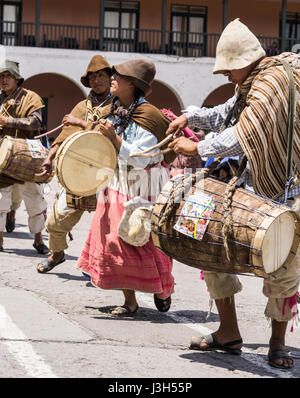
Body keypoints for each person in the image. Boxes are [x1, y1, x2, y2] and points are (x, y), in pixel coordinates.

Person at [166, 19, 300, 370]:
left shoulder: (273, 82)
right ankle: (228, 331)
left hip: (286, 188)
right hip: (247, 183)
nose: (224, 74)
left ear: (243, 61)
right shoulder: (251, 85)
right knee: (208, 247)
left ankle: (277, 342)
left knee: (284, 267)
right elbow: (226, 114)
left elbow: (244, 134)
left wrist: (197, 149)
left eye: (228, 68)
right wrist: (189, 116)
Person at [76, 59, 175, 316]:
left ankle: (162, 288)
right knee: (114, 241)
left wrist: (114, 138)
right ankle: (130, 301)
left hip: (145, 186)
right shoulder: (114, 109)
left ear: (132, 83)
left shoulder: (149, 115)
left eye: (117, 76)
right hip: (116, 183)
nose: (111, 79)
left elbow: (145, 157)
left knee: (146, 241)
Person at [36, 55, 113, 273]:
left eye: (101, 75)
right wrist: (49, 159)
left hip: (108, 176)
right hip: (78, 176)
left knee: (110, 230)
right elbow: (63, 136)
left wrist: (80, 122)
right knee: (54, 223)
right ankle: (58, 253)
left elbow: (111, 135)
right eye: (93, 77)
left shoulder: (118, 105)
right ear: (88, 81)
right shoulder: (81, 106)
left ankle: (108, 272)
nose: (97, 80)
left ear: (109, 78)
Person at [0, 59, 49, 254]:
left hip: (28, 154)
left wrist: (8, 121)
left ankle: (38, 240)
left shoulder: (31, 97)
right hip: (2, 154)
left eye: (8, 76)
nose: (4, 80)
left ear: (17, 79)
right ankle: (0, 239)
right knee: (1, 199)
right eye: (1, 76)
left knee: (35, 199)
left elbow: (35, 122)